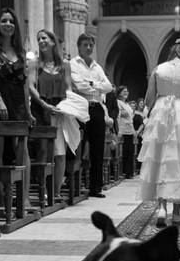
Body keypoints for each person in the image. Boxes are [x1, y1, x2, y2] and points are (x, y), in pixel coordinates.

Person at [139, 37, 180, 227]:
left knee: (161, 159)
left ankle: (161, 208)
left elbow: (149, 99)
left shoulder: (158, 69)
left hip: (161, 114)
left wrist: (149, 113)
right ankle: (176, 213)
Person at [0, 7, 32, 209]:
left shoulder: (20, 51)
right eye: (4, 21)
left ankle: (24, 197)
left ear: (15, 25)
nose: (7, 24)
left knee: (22, 148)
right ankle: (3, 197)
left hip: (17, 101)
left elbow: (25, 83)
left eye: (11, 21)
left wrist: (28, 110)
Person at [28, 29, 74, 198]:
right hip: (41, 109)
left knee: (59, 152)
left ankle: (55, 192)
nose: (41, 41)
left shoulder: (64, 65)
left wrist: (66, 106)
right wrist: (43, 104)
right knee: (43, 152)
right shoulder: (34, 63)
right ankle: (43, 192)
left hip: (60, 110)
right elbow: (31, 86)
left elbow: (68, 88)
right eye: (38, 38)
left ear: (53, 41)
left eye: (44, 38)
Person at [70, 33, 113, 198]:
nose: (88, 48)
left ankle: (96, 187)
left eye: (90, 45)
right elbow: (79, 86)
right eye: (85, 45)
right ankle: (75, 186)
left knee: (97, 149)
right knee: (78, 146)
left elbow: (109, 87)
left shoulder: (97, 67)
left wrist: (92, 84)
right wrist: (97, 86)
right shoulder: (73, 64)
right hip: (81, 107)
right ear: (79, 46)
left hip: (97, 109)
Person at [115, 86, 136, 178]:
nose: (126, 92)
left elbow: (130, 117)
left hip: (130, 130)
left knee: (129, 152)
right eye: (124, 91)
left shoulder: (127, 104)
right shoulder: (118, 102)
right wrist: (118, 130)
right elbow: (118, 117)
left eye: (127, 91)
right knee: (123, 152)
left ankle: (129, 172)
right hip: (122, 130)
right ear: (119, 93)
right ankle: (124, 172)